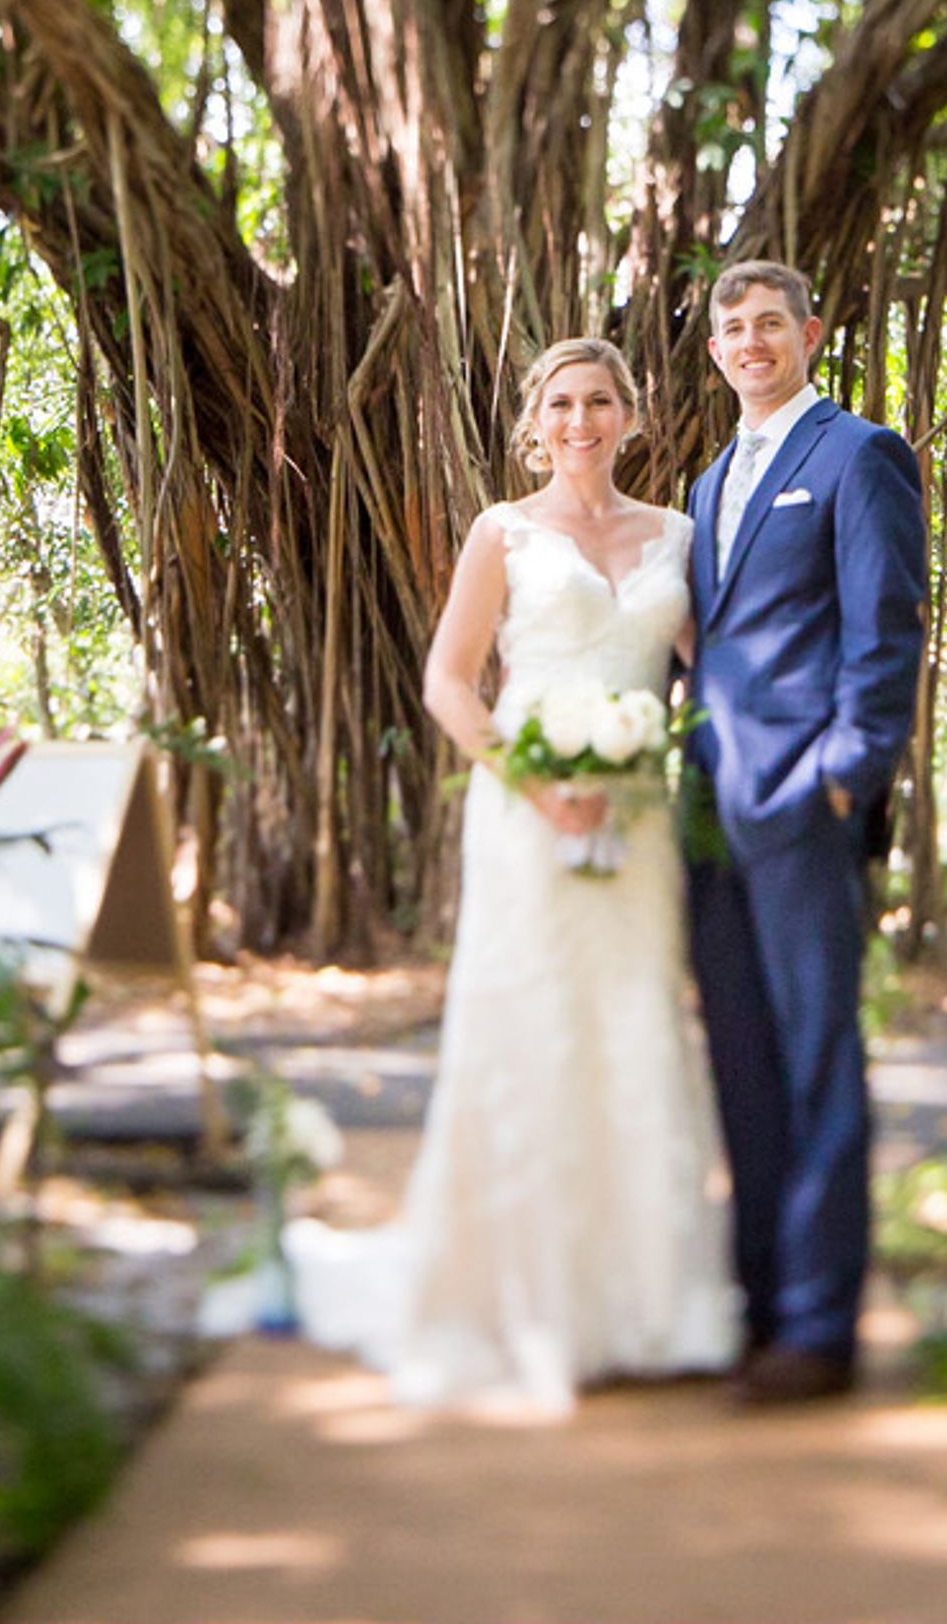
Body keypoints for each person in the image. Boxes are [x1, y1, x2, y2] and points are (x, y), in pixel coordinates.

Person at [284, 337, 742, 1412]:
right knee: (531, 1026)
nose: (579, 421)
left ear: (633, 414)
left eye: (599, 401)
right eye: (559, 404)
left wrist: (668, 760)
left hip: (630, 813)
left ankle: (645, 1299)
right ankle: (525, 1297)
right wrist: (535, 780)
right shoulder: (505, 532)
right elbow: (448, 681)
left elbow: (715, 669)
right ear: (533, 421)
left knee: (631, 1025)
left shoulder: (680, 534)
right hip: (527, 814)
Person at [682, 259, 930, 1405]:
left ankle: (822, 1329)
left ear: (811, 333)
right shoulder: (704, 481)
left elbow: (885, 628)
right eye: (733, 327)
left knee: (820, 1056)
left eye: (770, 322)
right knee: (742, 1062)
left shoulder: (856, 454)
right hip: (712, 815)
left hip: (806, 805)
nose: (750, 341)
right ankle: (760, 1305)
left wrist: (845, 776)